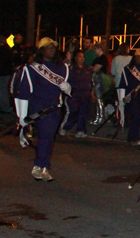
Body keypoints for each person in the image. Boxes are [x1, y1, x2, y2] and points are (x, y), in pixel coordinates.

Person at [14, 38, 71, 182]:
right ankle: (40, 166)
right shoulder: (32, 68)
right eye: (48, 47)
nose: (51, 49)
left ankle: (42, 166)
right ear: (41, 50)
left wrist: (67, 88)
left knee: (49, 137)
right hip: (39, 109)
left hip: (55, 108)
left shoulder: (63, 68)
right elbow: (23, 93)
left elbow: (69, 90)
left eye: (53, 47)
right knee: (46, 135)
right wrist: (22, 118)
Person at [116, 50, 140, 145]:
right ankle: (134, 138)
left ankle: (132, 137)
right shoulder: (127, 69)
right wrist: (122, 97)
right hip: (131, 96)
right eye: (137, 56)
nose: (139, 58)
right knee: (134, 116)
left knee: (138, 118)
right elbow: (122, 83)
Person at [62, 51, 92, 138]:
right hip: (74, 93)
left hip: (85, 94)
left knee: (83, 112)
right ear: (76, 58)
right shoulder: (71, 69)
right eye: (80, 57)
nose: (82, 59)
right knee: (72, 111)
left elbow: (90, 82)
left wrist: (91, 92)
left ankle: (81, 130)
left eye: (83, 57)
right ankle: (65, 127)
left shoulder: (87, 69)